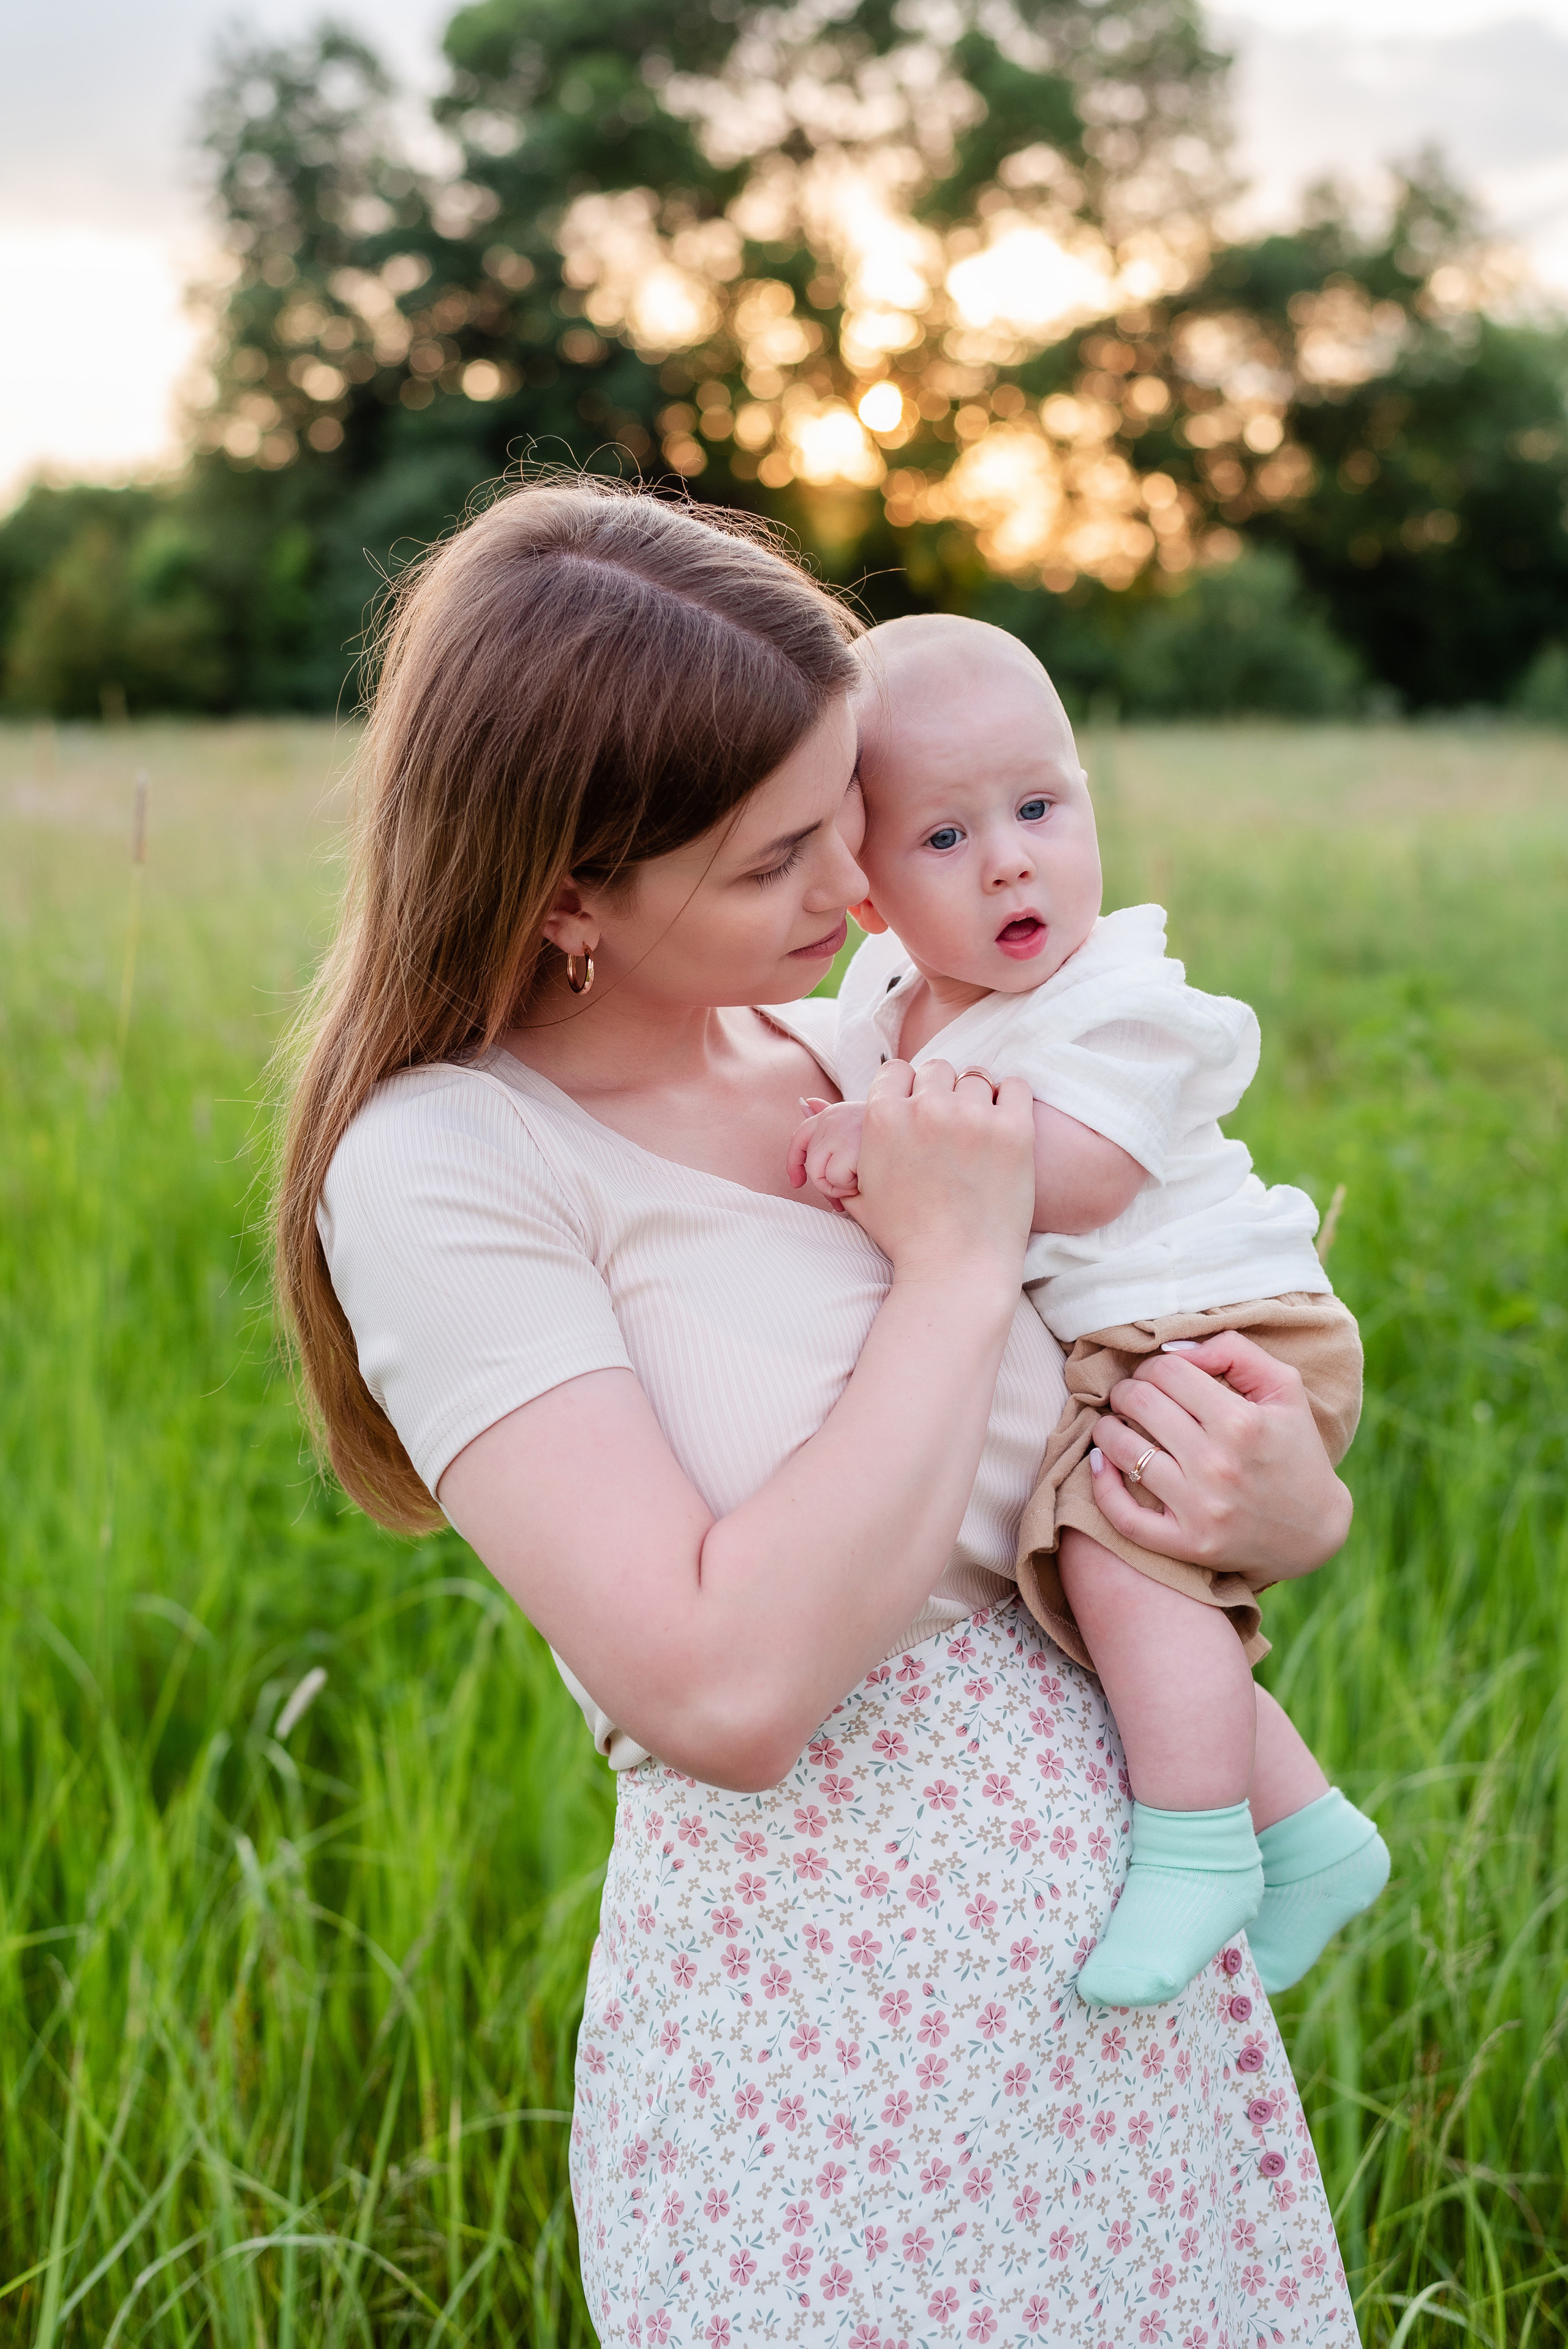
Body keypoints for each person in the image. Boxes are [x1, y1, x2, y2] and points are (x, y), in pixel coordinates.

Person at [276, 477, 1360, 2346]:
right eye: (778, 859)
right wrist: (952, 1261)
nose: (861, 890)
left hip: (1127, 2002)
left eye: (849, 820)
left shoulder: (856, 1037)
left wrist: (1282, 1502)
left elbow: (1092, 1408)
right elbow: (721, 1694)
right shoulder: (453, 1164)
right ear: (567, 901)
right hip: (830, 2057)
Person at [791, 615, 1390, 2010]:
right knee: (1124, 1564)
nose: (1008, 857)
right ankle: (1307, 1832)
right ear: (867, 896)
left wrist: (878, 1146)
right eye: (942, 839)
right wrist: (855, 1109)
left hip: (1225, 1329)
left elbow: (1080, 1174)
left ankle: (1198, 1853)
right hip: (1139, 1337)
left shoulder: (1116, 998)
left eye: (1039, 806)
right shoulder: (885, 996)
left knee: (1115, 1559)